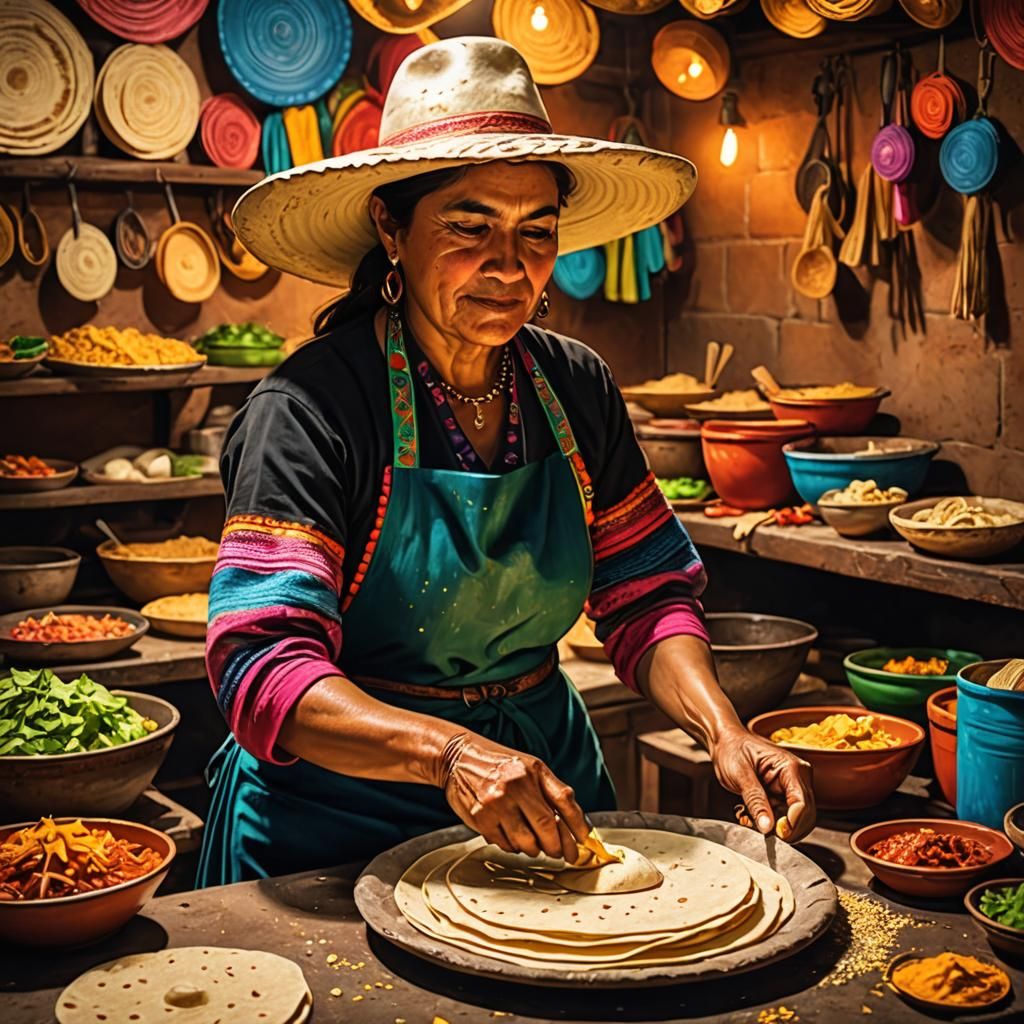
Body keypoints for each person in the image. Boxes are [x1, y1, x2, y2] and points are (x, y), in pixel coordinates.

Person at [196, 36, 815, 886]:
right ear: (391, 224)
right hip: (335, 820)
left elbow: (645, 595)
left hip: (546, 790)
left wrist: (724, 729)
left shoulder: (575, 386)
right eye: (469, 225)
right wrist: (451, 755)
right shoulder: (309, 409)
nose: (508, 265)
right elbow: (262, 667)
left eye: (536, 232)